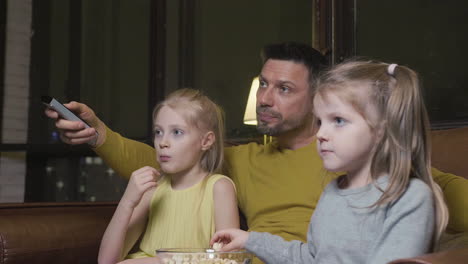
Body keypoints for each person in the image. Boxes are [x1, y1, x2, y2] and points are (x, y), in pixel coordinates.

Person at [45, 43, 467, 263]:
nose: (265, 98)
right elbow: (166, 161)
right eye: (263, 84)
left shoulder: (379, 170)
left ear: (317, 96)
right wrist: (100, 134)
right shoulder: (243, 160)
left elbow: (431, 195)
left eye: (283, 89)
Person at [210, 60, 449, 264]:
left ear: (383, 130)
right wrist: (250, 240)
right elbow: (311, 258)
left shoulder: (410, 196)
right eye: (320, 122)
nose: (321, 134)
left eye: (338, 120)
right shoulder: (334, 192)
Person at [97, 89, 239, 264]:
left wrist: (162, 261)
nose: (163, 142)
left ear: (206, 141)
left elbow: (229, 260)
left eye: (177, 132)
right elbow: (106, 261)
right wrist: (127, 202)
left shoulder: (219, 188)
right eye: (158, 132)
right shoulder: (153, 189)